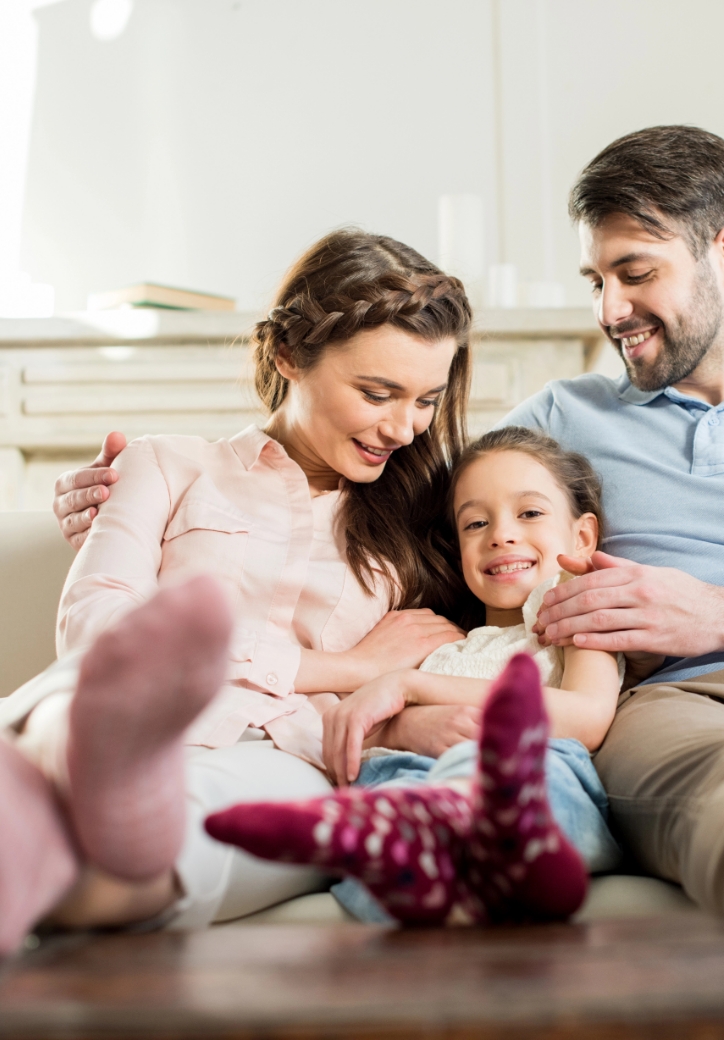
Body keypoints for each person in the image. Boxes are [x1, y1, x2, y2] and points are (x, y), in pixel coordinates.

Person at [52, 126, 724, 931]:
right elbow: (386, 477)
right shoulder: (554, 423)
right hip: (678, 698)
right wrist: (138, 494)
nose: (610, 309)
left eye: (635, 272)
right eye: (595, 281)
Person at [0, 228, 585, 953]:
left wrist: (395, 716)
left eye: (426, 401)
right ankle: (67, 768)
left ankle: (69, 839)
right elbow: (97, 631)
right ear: (287, 355)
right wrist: (347, 666)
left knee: (181, 835)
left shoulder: (432, 523)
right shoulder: (164, 465)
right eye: (377, 393)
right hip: (113, 710)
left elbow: (492, 630)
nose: (404, 428)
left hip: (284, 753)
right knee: (73, 714)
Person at [204, 426, 624, 924]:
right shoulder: (431, 639)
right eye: (475, 523)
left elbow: (587, 716)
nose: (501, 535)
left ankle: (494, 847)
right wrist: (388, 708)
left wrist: (410, 686)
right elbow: (354, 733)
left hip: (530, 772)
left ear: (582, 536)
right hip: (404, 777)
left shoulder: (572, 613)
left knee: (513, 780)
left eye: (529, 513)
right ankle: (420, 859)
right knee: (392, 798)